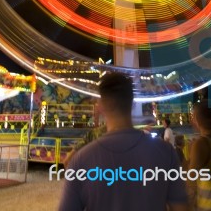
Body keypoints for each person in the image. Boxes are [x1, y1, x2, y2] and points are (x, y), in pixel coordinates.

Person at [58, 72, 189, 211]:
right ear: (132, 104)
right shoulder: (165, 152)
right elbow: (181, 207)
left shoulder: (80, 160)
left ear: (100, 106)